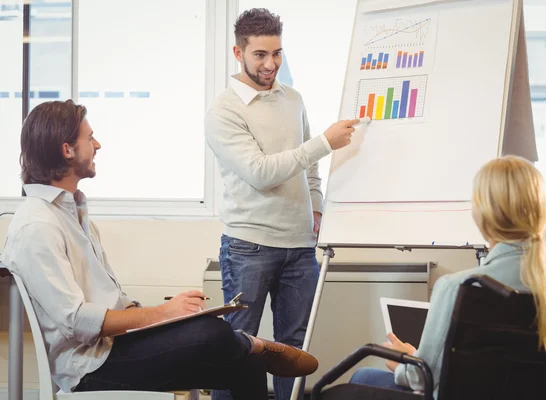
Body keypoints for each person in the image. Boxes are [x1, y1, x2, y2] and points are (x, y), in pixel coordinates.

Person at [2, 100, 319, 400]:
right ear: (68, 150)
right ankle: (252, 343)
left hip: (114, 347)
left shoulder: (73, 214)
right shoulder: (37, 226)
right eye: (91, 138)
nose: (97, 145)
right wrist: (160, 314)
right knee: (216, 335)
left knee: (245, 360)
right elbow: (76, 321)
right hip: (91, 368)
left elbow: (113, 302)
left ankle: (250, 347)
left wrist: (166, 318)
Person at [204, 8, 358, 400]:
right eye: (260, 54)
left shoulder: (294, 100)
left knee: (295, 349)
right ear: (239, 53)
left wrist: (317, 207)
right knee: (238, 350)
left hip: (299, 247)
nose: (271, 63)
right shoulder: (224, 111)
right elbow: (260, 172)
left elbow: (307, 168)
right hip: (248, 247)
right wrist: (323, 142)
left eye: (277, 53)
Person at [349, 155, 546, 397]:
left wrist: (402, 363)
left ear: (482, 213)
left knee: (363, 376)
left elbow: (423, 378)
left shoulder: (460, 287)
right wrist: (416, 358)